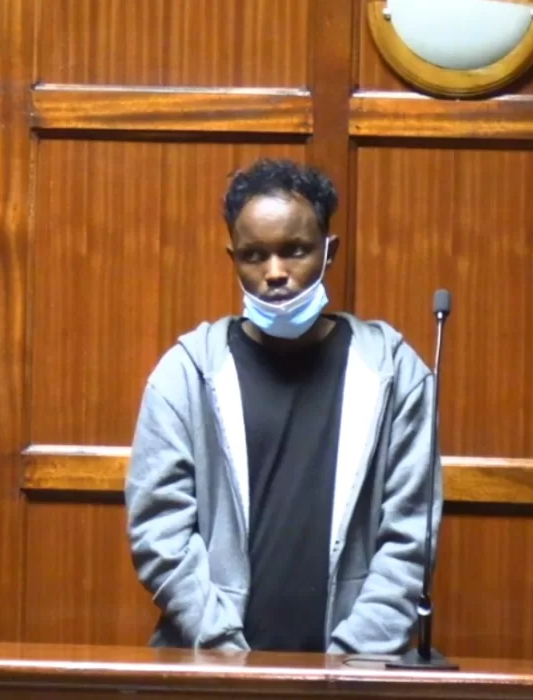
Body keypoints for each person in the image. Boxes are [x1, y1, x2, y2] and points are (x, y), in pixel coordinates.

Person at [124, 158, 441, 654]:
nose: (275, 273)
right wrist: (228, 653)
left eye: (295, 251)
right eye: (254, 255)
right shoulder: (185, 374)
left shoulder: (395, 374)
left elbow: (410, 541)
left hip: (356, 676)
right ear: (233, 258)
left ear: (329, 252)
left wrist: (350, 663)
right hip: (211, 670)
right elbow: (159, 533)